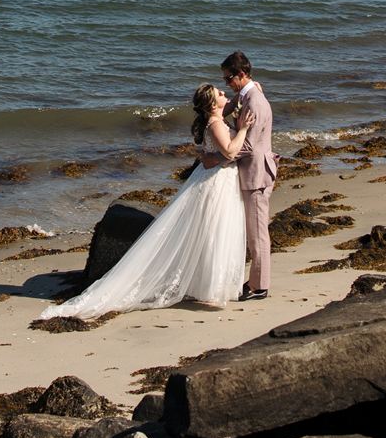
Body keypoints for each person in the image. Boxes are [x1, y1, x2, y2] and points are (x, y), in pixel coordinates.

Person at [38, 84, 248, 321]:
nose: (224, 95)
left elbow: (219, 147)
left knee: (212, 232)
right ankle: (208, 286)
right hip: (216, 183)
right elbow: (230, 152)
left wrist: (247, 98)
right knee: (214, 231)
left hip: (218, 180)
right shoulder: (216, 123)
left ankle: (206, 285)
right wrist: (244, 130)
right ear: (212, 104)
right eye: (220, 94)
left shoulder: (216, 120)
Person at [221, 50, 277, 301]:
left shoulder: (255, 101)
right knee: (255, 231)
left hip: (257, 175)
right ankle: (255, 281)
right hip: (255, 171)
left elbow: (250, 146)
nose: (227, 84)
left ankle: (260, 286)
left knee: (257, 233)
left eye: (229, 79)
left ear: (241, 74)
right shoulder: (250, 95)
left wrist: (222, 157)